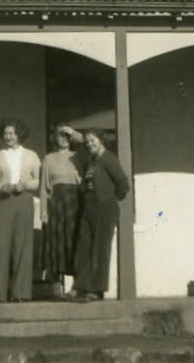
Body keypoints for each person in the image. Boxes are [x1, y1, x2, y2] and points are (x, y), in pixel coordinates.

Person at [67, 127, 129, 303]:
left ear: (101, 140)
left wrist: (109, 199)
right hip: (89, 207)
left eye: (93, 140)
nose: (89, 144)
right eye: (87, 141)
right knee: (84, 246)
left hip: (105, 208)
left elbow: (123, 184)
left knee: (100, 249)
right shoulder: (92, 161)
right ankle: (81, 286)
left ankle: (97, 290)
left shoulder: (108, 158)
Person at [0, 118, 41, 303]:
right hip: (5, 202)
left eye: (12, 133)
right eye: (6, 133)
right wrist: (3, 187)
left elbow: (39, 181)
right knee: (1, 245)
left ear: (19, 134)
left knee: (22, 246)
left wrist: (25, 184)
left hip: (24, 201)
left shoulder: (31, 155)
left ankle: (21, 293)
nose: (8, 136)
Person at [39, 124, 81, 296]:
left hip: (74, 202)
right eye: (60, 136)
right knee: (55, 241)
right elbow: (43, 188)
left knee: (74, 241)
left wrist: (71, 130)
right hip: (55, 203)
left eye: (66, 136)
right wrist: (43, 211)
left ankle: (77, 287)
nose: (63, 139)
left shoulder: (78, 156)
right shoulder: (48, 159)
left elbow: (86, 142)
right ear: (54, 138)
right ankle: (56, 286)